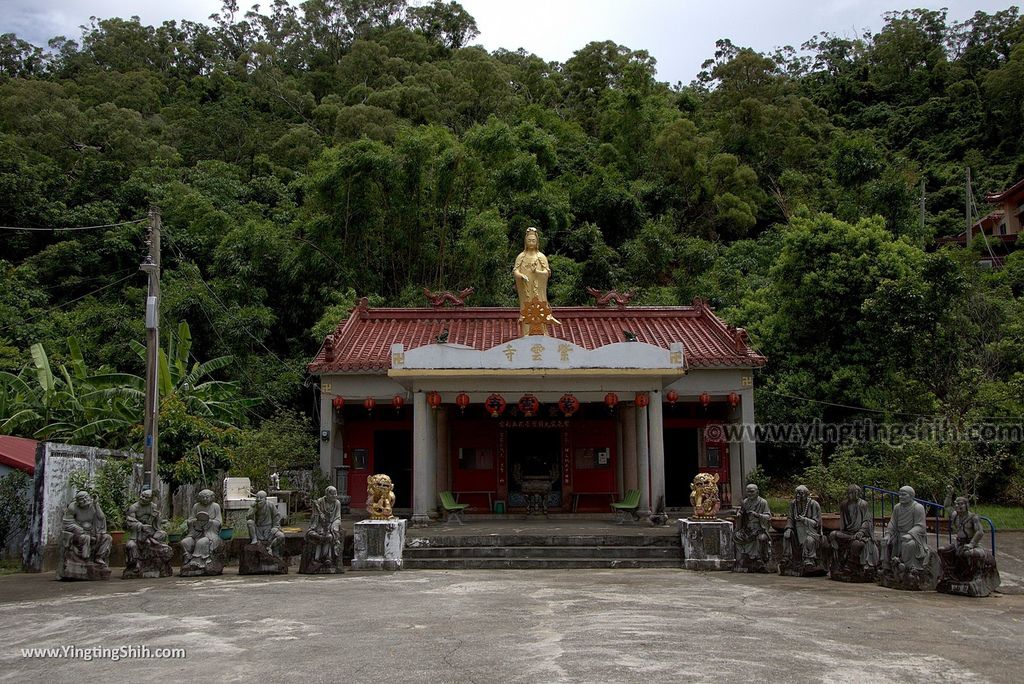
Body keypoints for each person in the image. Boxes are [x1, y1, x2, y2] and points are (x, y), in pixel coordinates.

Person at [938, 496, 1000, 593]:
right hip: (958, 543)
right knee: (942, 550)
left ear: (967, 505)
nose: (958, 506)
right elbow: (946, 506)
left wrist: (971, 544)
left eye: (961, 504)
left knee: (971, 554)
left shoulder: (973, 517)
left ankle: (977, 576)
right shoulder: (955, 515)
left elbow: (979, 532)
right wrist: (949, 495)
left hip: (971, 543)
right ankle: (949, 574)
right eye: (957, 504)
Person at [512, 227, 560, 336]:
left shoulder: (541, 257)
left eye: (533, 240)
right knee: (526, 310)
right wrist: (521, 276)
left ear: (537, 242)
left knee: (540, 309)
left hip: (538, 290)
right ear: (525, 241)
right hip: (526, 289)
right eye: (529, 240)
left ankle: (542, 333)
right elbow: (515, 271)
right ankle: (526, 333)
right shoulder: (521, 256)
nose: (531, 242)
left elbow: (547, 273)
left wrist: (537, 271)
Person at [829, 484, 878, 574]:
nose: (850, 495)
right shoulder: (844, 505)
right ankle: (837, 564)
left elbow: (867, 520)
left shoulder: (863, 504)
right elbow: (843, 523)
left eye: (853, 493)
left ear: (857, 493)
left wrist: (861, 532)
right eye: (849, 493)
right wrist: (843, 531)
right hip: (848, 532)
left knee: (857, 543)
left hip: (859, 532)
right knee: (832, 535)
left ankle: (851, 564)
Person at [881, 485, 931, 573]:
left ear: (911, 496)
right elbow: (892, 522)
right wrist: (888, 534)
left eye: (904, 495)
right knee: (885, 542)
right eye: (899, 495)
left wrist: (910, 535)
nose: (901, 497)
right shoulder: (897, 507)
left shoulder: (918, 507)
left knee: (908, 544)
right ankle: (886, 567)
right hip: (898, 534)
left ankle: (909, 568)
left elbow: (920, 526)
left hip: (914, 537)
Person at [124, 489, 172, 577]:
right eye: (142, 495)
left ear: (150, 499)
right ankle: (137, 564)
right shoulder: (133, 507)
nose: (142, 498)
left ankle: (158, 566)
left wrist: (157, 518)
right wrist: (140, 526)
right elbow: (130, 522)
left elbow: (157, 523)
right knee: (131, 546)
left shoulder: (153, 506)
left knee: (163, 534)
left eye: (146, 497)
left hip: (151, 531)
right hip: (137, 534)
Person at [61, 490, 112, 568]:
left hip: (93, 531)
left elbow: (101, 518)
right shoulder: (73, 507)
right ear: (77, 501)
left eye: (86, 497)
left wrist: (96, 504)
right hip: (79, 532)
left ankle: (98, 558)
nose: (85, 500)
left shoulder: (93, 505)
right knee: (85, 538)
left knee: (107, 538)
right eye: (82, 499)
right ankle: (84, 560)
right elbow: (67, 523)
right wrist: (80, 529)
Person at [301, 486, 344, 573]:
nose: (335, 496)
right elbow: (314, 517)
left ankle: (327, 557)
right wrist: (319, 517)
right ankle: (316, 559)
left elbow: (338, 518)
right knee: (317, 536)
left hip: (331, 525)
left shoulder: (337, 503)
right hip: (319, 525)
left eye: (336, 494)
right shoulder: (320, 502)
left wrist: (334, 526)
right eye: (332, 494)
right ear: (327, 494)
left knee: (329, 537)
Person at [782, 485, 823, 569]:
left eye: (800, 493)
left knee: (809, 540)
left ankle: (809, 560)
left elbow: (816, 523)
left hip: (811, 531)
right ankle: (787, 558)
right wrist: (789, 528)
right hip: (797, 530)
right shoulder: (793, 504)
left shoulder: (813, 504)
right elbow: (790, 518)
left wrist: (804, 519)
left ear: (806, 494)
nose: (797, 495)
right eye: (796, 493)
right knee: (787, 535)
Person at [733, 483, 772, 570]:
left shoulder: (763, 502)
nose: (750, 494)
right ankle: (740, 560)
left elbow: (768, 517)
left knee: (761, 538)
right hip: (747, 528)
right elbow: (741, 512)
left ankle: (758, 559)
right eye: (748, 492)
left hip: (759, 527)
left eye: (752, 492)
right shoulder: (745, 502)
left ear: (757, 492)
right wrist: (739, 515)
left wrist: (758, 515)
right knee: (736, 536)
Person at [181, 488, 223, 569]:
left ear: (212, 497)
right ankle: (188, 558)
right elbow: (190, 520)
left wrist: (209, 522)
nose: (205, 499)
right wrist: (196, 522)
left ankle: (197, 562)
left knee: (201, 542)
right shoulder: (196, 506)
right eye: (203, 497)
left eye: (207, 497)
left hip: (209, 533)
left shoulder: (215, 506)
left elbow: (219, 522)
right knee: (185, 542)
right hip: (196, 532)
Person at [247, 490, 285, 557]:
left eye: (261, 498)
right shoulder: (255, 506)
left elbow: (276, 516)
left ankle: (271, 546)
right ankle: (254, 539)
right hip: (258, 529)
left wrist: (275, 527)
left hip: (269, 529)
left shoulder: (270, 505)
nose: (259, 500)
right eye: (257, 498)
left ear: (265, 499)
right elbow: (248, 517)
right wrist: (253, 509)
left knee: (281, 536)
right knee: (249, 522)